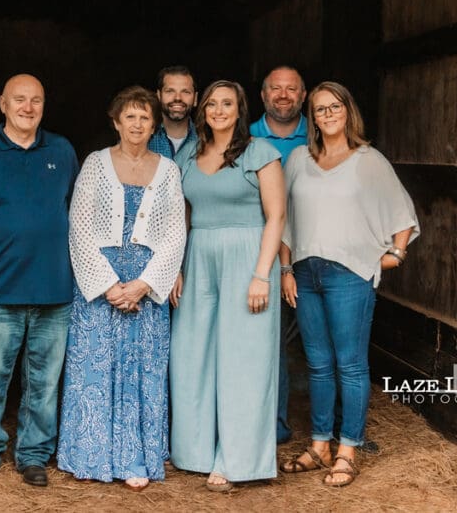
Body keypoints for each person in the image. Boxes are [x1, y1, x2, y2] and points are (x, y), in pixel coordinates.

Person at [279, 81, 418, 487]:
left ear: (347, 110)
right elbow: (284, 220)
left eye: (334, 106)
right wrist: (286, 270)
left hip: (349, 275)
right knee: (318, 365)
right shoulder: (299, 161)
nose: (328, 114)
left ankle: (348, 450)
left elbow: (402, 214)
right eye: (320, 109)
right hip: (305, 271)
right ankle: (320, 446)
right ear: (313, 118)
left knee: (351, 364)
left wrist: (395, 255)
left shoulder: (368, 160)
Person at [57, 86, 186, 492]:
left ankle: (135, 458)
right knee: (95, 368)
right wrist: (109, 285)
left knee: (142, 370)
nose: (137, 124)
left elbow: (174, 233)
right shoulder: (95, 164)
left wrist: (145, 284)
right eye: (130, 116)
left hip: (147, 283)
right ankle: (89, 454)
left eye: (145, 117)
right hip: (100, 283)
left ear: (155, 124)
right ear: (116, 121)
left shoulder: (168, 170)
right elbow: (78, 226)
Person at [0, 74, 79, 488]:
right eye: (19, 100)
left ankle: (33, 455)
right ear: (2, 104)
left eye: (36, 100)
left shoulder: (61, 151)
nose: (28, 107)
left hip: (53, 291)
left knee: (43, 382)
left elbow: (76, 215)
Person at [169, 80, 286, 492]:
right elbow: (181, 216)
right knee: (191, 353)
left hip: (247, 256)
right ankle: (195, 450)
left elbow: (276, 217)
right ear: (204, 110)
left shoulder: (261, 153)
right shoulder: (188, 154)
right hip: (198, 256)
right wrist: (176, 267)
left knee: (244, 359)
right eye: (213, 103)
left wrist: (261, 273)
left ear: (241, 110)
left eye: (228, 103)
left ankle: (236, 459)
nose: (219, 110)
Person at [249, 65, 308, 445]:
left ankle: (333, 428)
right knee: (263, 342)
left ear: (304, 95)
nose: (283, 95)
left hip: (313, 252)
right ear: (263, 95)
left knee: (317, 346)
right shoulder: (244, 135)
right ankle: (272, 424)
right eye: (276, 88)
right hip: (260, 253)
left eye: (292, 89)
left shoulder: (321, 133)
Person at [148, 65, 197, 159]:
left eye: (185, 92)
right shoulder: (141, 138)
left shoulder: (206, 140)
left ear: (195, 98)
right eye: (170, 91)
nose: (178, 98)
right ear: (158, 96)